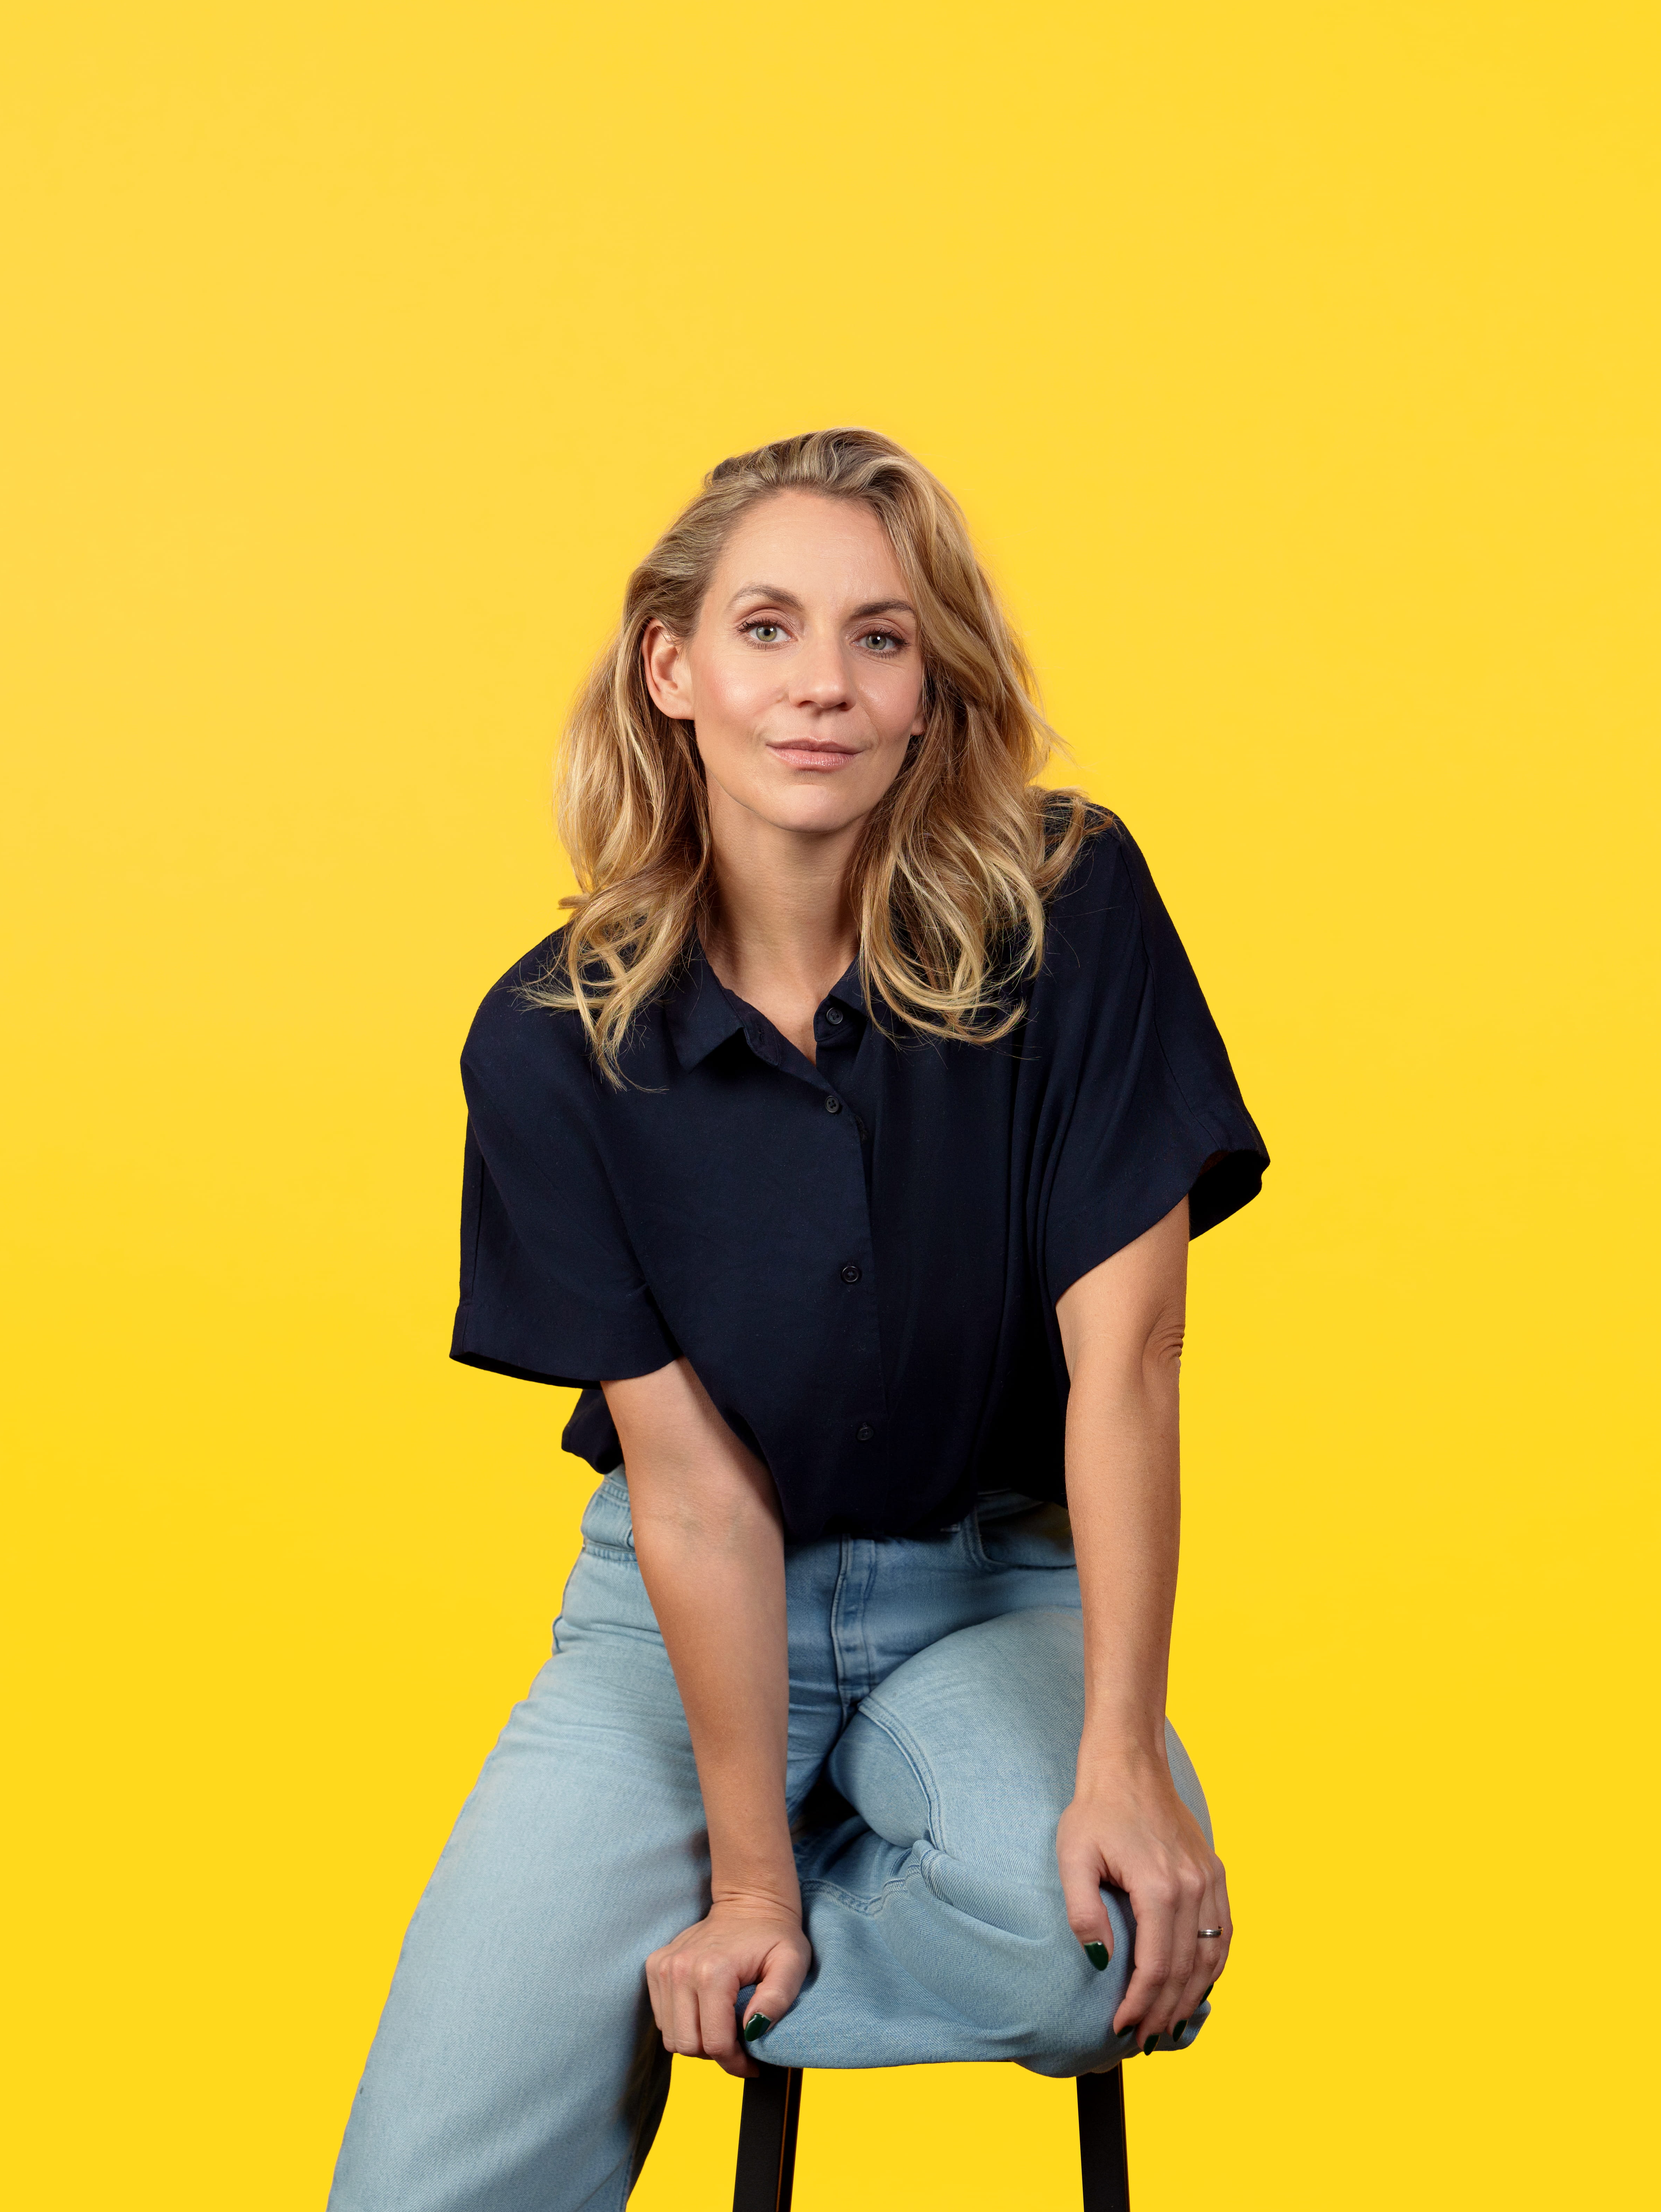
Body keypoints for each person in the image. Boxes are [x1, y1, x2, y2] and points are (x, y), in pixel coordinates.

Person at [329, 429, 1267, 2211]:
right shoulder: (551, 1042)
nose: (822, 685)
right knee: (413, 2193)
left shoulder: (1074, 912)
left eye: (881, 639)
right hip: (669, 1629)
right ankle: (742, 1894)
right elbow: (690, 1495)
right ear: (671, 670)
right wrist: (744, 1874)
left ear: (934, 694)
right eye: (767, 630)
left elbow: (1127, 1362)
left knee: (1105, 1950)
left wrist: (1121, 1757)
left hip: (994, 1593)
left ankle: (818, 1894)